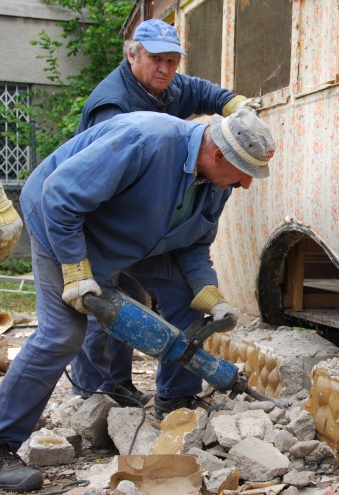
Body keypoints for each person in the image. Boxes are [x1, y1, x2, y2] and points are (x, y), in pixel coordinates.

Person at [0, 108, 275, 492]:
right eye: (245, 173)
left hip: (135, 237)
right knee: (63, 332)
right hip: (60, 222)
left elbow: (195, 245)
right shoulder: (144, 140)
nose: (246, 184)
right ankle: (3, 440)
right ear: (217, 155)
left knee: (186, 300)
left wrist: (210, 295)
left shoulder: (217, 184)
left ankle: (176, 399)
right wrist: (76, 270)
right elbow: (59, 197)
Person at [72, 18, 261, 407]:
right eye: (157, 59)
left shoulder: (169, 85)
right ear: (132, 55)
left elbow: (202, 91)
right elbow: (101, 185)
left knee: (175, 295)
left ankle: (176, 396)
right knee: (108, 301)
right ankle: (97, 393)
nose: (166, 69)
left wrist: (237, 106)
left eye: (173, 61)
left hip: (157, 215)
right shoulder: (112, 107)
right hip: (108, 220)